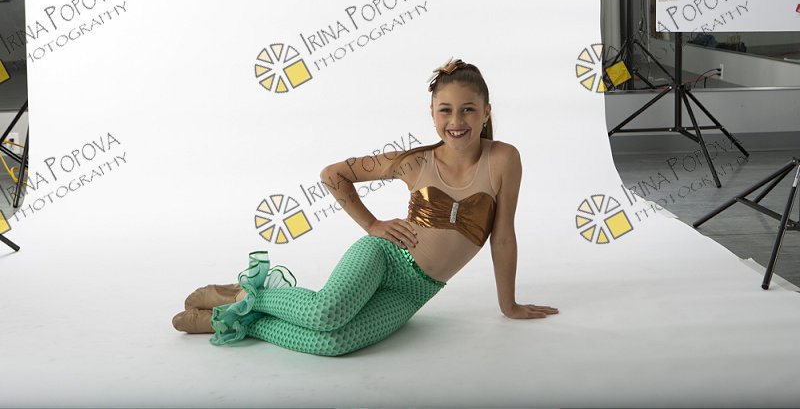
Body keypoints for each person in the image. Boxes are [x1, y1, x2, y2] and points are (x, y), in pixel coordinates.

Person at [172, 58, 558, 356]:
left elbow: (502, 237)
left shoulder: (503, 159)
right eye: (446, 110)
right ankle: (241, 295)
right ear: (432, 113)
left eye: (468, 109)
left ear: (486, 112)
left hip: (416, 291)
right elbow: (334, 174)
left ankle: (234, 320)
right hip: (384, 257)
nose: (456, 120)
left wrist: (508, 305)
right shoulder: (415, 162)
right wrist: (372, 225)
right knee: (324, 313)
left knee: (334, 343)